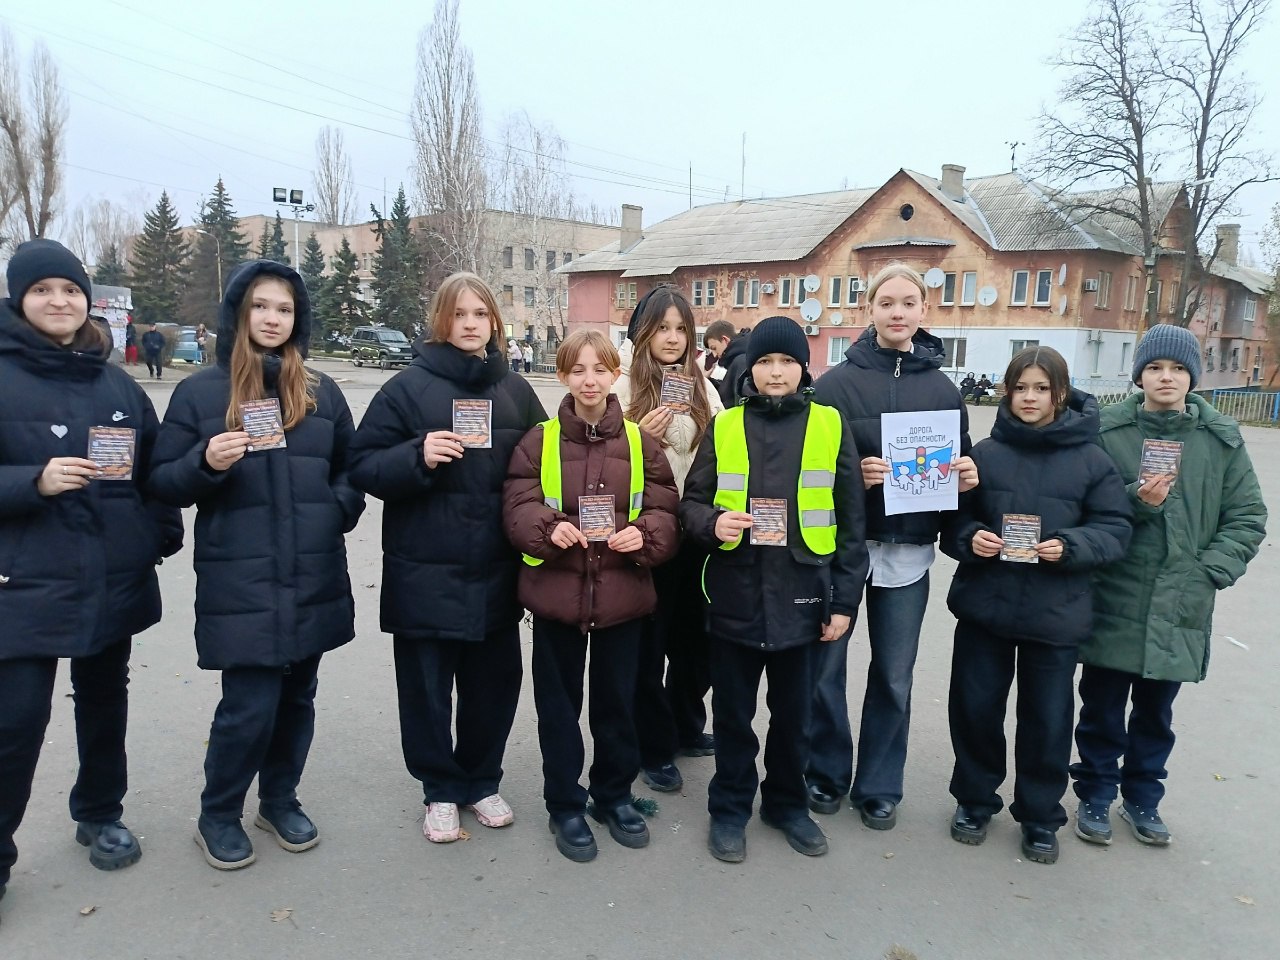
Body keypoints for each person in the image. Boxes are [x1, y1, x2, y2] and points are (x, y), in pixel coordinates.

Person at [149, 260, 364, 871]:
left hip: (313, 571)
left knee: (298, 699)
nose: (273, 318)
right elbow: (162, 481)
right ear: (240, 313)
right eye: (262, 306)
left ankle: (279, 800)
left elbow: (351, 469)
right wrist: (206, 462)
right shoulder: (201, 392)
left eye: (285, 309)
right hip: (240, 579)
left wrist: (335, 510)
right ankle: (218, 813)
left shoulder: (320, 391)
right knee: (248, 706)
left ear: (299, 319)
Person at [0, 240, 182, 910]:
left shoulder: (116, 385)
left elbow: (154, 472)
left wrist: (156, 533)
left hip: (112, 574)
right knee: (15, 721)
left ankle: (100, 813)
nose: (60, 301)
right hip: (25, 582)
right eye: (43, 290)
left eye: (71, 290)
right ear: (19, 299)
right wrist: (32, 481)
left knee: (105, 701)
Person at [348, 272, 547, 844]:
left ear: (494, 323)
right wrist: (417, 454)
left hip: (495, 571)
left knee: (494, 685)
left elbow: (547, 463)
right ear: (441, 320)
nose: (469, 324)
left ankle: (481, 780)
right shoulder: (406, 389)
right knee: (427, 690)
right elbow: (362, 465)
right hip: (424, 571)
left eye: (480, 314)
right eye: (458, 314)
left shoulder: (515, 390)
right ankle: (439, 788)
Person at [681, 316, 868, 863]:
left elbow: (852, 523)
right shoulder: (726, 425)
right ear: (749, 368)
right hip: (735, 595)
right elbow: (691, 504)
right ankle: (729, 809)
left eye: (787, 361)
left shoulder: (829, 424)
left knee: (795, 718)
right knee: (733, 717)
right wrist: (713, 523)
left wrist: (844, 603)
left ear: (803, 368)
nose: (776, 371)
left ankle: (787, 806)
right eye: (765, 361)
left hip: (804, 598)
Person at [1071, 325, 1266, 847]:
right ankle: (1094, 793)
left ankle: (1143, 798)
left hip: (1182, 597)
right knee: (1102, 707)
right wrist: (1136, 500)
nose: (1166, 378)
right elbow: (1084, 504)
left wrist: (1210, 571)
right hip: (1116, 589)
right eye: (1155, 368)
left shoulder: (1220, 440)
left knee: (1156, 712)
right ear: (1139, 375)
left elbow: (1247, 516)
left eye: (1178, 369)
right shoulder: (1107, 432)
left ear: (1192, 378)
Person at [805, 262, 978, 831]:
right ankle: (825, 772)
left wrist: (964, 478)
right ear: (870, 309)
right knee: (825, 669)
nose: (897, 312)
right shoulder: (835, 385)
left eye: (908, 303)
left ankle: (879, 786)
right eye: (887, 303)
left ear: (924, 310)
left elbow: (960, 469)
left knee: (894, 676)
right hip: (843, 551)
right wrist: (853, 476)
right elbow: (809, 469)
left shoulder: (944, 390)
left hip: (908, 551)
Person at [941, 347, 1130, 865]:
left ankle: (1041, 816)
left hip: (1056, 612)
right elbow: (952, 520)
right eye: (1021, 387)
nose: (1030, 398)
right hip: (986, 607)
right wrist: (971, 537)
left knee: (1047, 720)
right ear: (1007, 391)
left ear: (1060, 393)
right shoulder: (984, 454)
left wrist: (1070, 547)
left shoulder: (1092, 459)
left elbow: (1115, 528)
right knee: (975, 709)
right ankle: (974, 800)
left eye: (1041, 388)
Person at [504, 330, 679, 863]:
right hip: (557, 599)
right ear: (562, 376)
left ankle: (613, 796)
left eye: (599, 369)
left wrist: (643, 536)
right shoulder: (539, 440)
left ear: (614, 375)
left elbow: (665, 509)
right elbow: (518, 504)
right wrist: (547, 528)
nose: (589, 380)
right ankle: (564, 804)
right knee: (559, 709)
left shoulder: (641, 442)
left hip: (622, 598)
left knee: (616, 705)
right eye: (577, 370)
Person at [613, 286, 724, 795]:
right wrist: (639, 437)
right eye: (662, 328)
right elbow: (598, 465)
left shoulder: (704, 386)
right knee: (648, 647)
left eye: (681, 329)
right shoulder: (620, 386)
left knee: (695, 642)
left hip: (696, 534)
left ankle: (685, 725)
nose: (672, 339)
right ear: (643, 332)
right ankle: (653, 746)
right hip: (646, 538)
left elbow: (723, 452)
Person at [701, 319, 737, 399]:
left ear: (725, 340)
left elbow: (729, 399)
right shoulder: (736, 361)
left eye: (714, 348)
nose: (714, 355)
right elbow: (729, 390)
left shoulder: (739, 362)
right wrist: (707, 380)